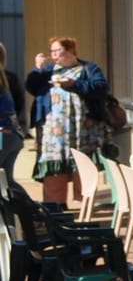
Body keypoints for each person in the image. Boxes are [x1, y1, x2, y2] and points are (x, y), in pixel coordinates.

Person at [27, 36, 109, 207]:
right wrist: (38, 68)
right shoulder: (48, 70)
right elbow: (32, 87)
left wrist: (75, 84)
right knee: (53, 166)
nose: (55, 55)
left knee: (83, 164)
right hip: (53, 132)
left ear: (71, 51)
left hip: (82, 129)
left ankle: (84, 206)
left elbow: (101, 88)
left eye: (59, 51)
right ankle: (55, 208)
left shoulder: (88, 68)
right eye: (53, 51)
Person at [0, 41, 24, 191]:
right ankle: (32, 211)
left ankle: (32, 211)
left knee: (6, 182)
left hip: (3, 136)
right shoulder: (5, 78)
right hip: (11, 135)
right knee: (6, 183)